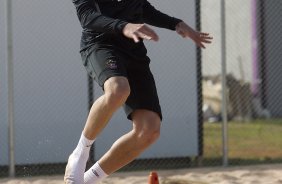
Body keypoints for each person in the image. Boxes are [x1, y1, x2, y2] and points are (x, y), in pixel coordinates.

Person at [65, 0, 213, 183]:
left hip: (133, 50)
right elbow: (88, 17)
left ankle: (88, 180)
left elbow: (141, 8)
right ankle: (80, 152)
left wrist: (176, 24)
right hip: (100, 44)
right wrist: (123, 26)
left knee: (149, 130)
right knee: (118, 90)